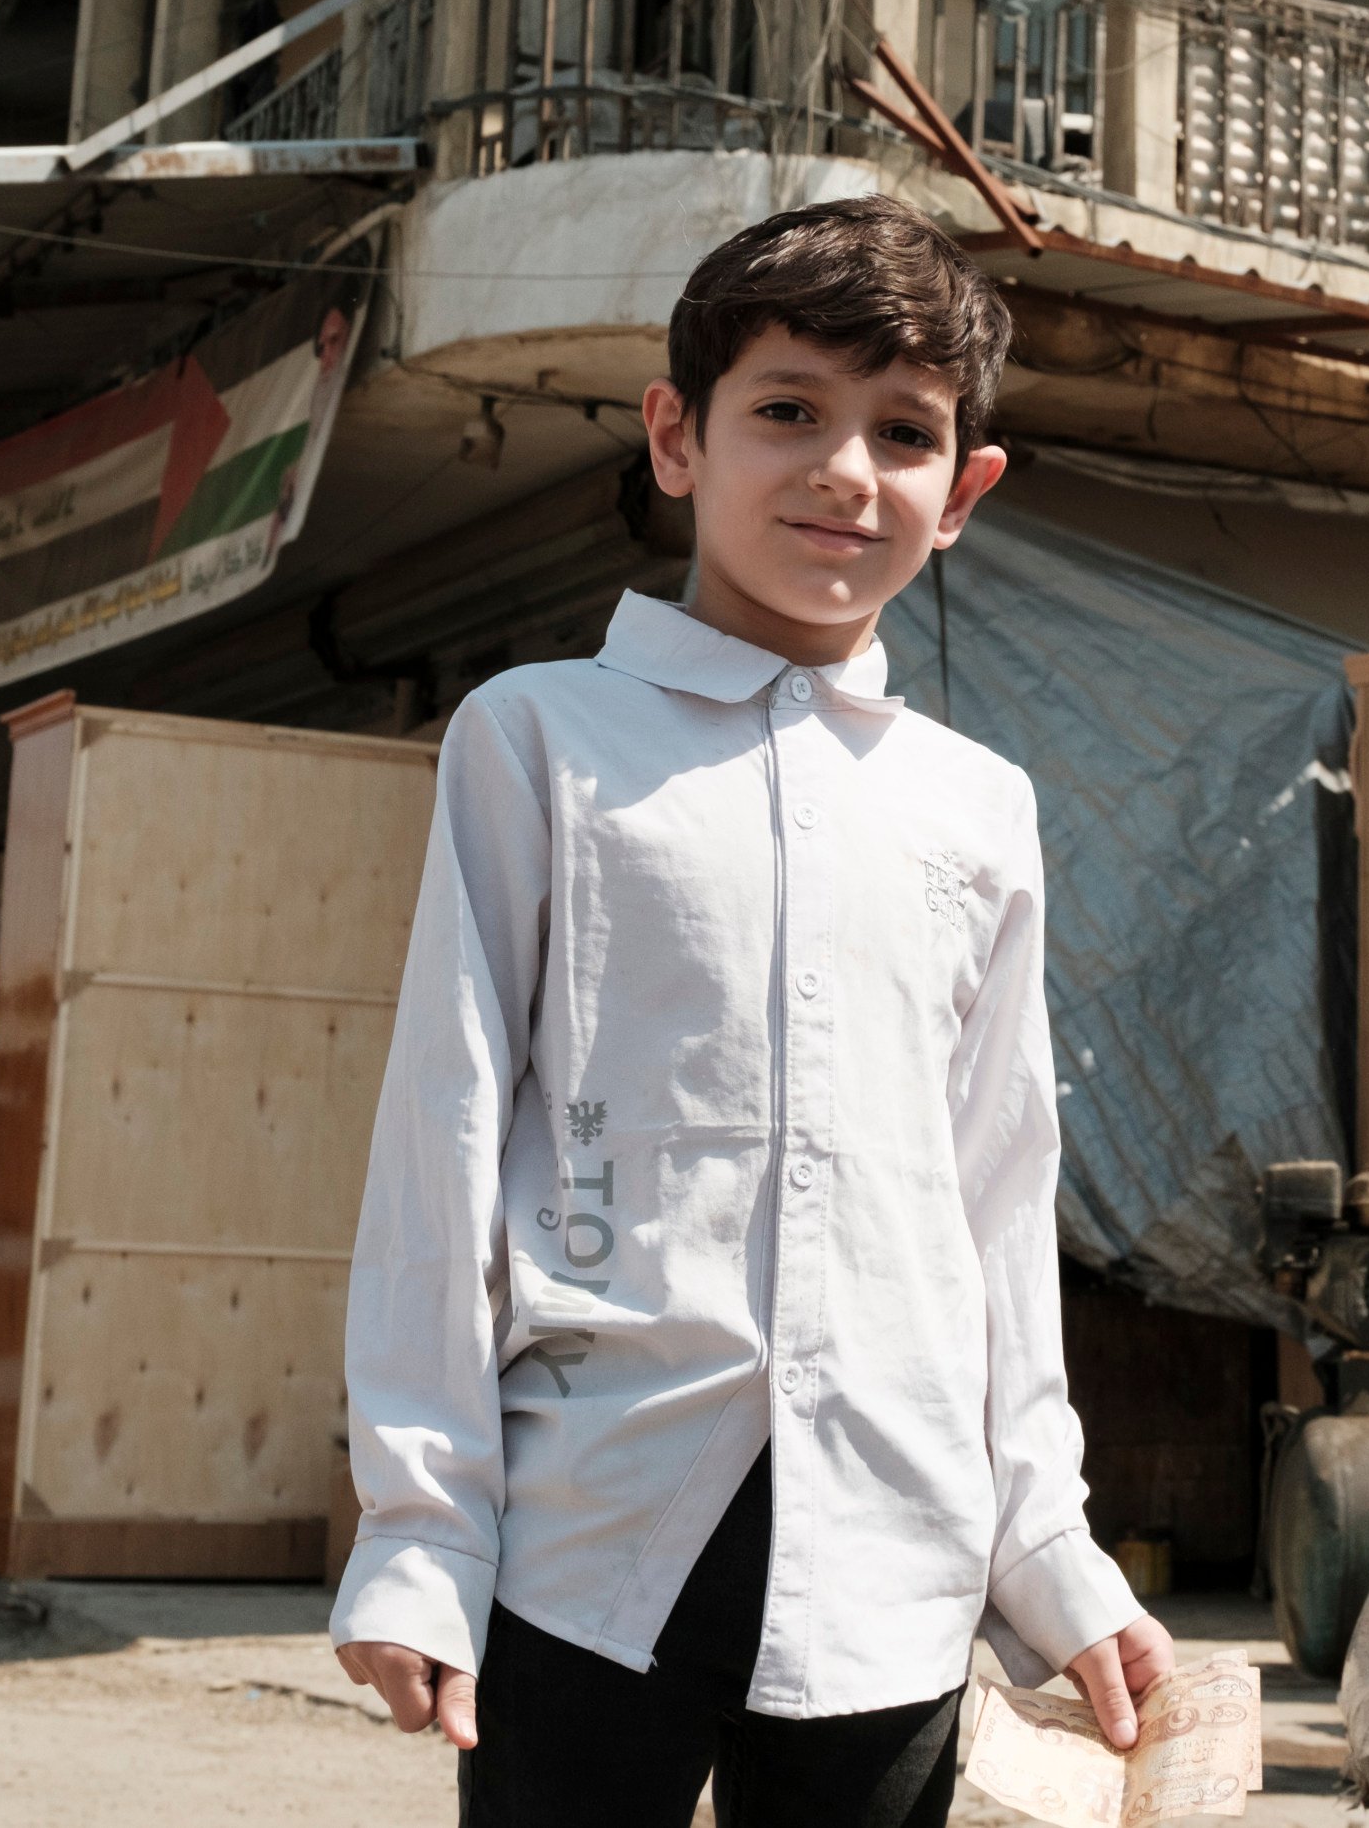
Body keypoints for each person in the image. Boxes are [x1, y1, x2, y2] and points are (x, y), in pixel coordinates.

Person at [333, 197, 1175, 1828]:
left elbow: (996, 1201)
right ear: (677, 438)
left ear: (963, 492)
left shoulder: (975, 808)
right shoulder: (538, 740)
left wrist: (1046, 1546)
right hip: (591, 1539)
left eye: (904, 432)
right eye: (788, 409)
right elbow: (442, 1137)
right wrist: (419, 1529)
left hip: (894, 1563)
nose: (844, 470)